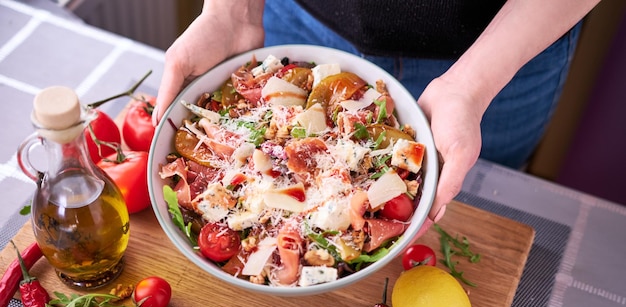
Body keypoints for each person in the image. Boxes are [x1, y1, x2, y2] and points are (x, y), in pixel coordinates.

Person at [154, 0, 600, 235]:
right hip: (299, 19)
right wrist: (231, 12)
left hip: (503, 44)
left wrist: (470, 86)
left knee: (493, 205)